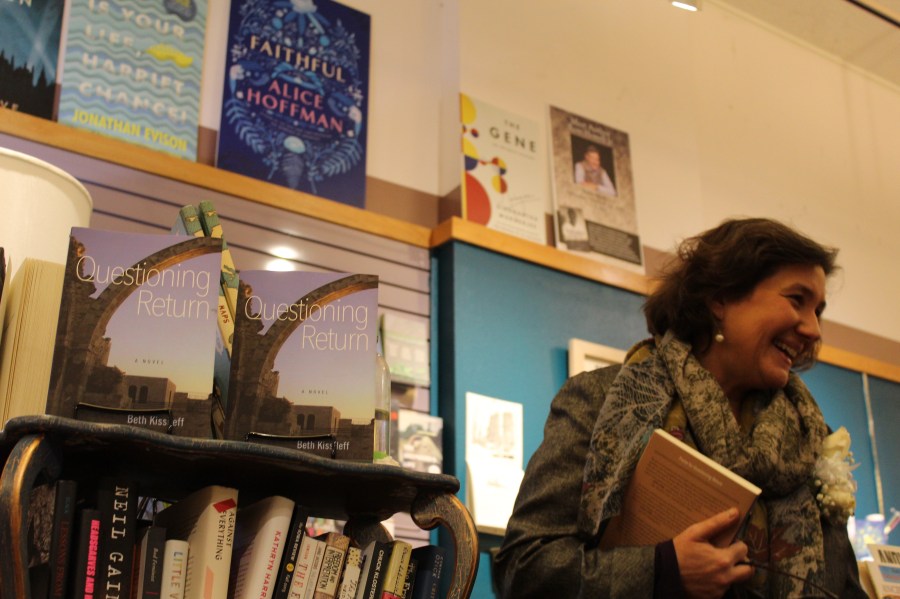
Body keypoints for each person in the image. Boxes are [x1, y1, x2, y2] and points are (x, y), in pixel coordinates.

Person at [493, 218, 867, 598]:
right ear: (721, 299)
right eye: (797, 300)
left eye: (818, 311)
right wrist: (663, 569)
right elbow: (523, 569)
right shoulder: (599, 399)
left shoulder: (808, 440)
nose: (814, 330)